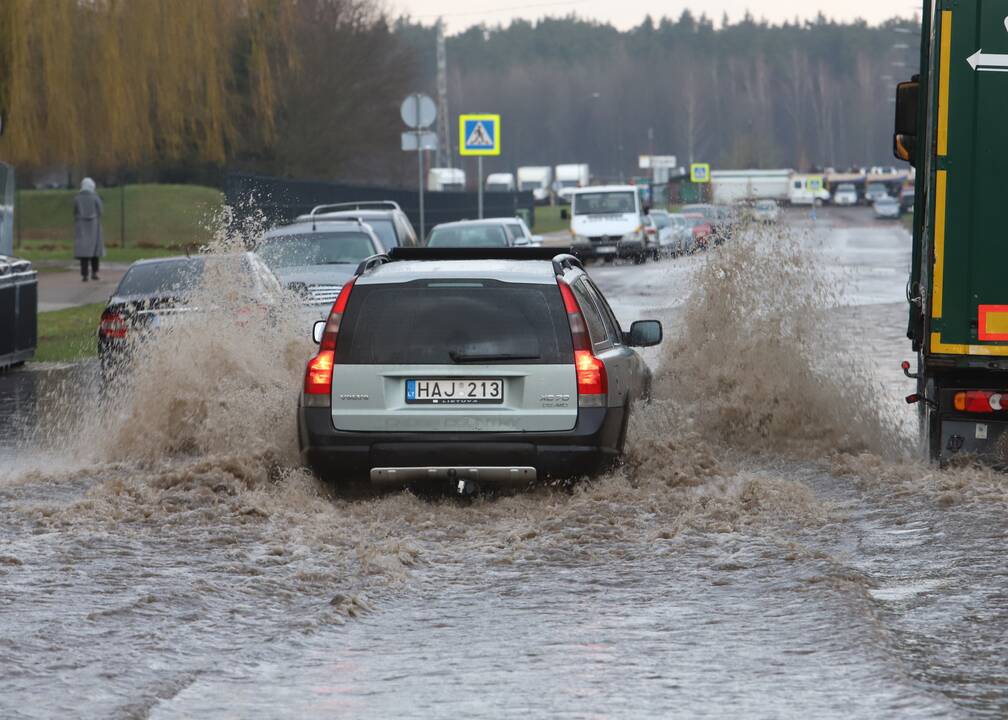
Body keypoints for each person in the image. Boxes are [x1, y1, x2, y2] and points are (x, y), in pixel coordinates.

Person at [73, 177, 104, 281]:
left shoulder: (77, 198)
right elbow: (100, 210)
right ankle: (94, 273)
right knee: (94, 251)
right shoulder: (95, 197)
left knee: (84, 252)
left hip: (81, 226)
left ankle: (85, 275)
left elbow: (75, 211)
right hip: (94, 226)